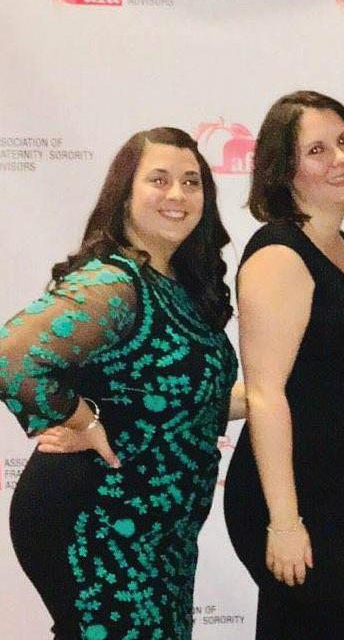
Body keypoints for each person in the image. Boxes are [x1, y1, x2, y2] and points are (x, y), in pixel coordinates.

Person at [0, 127, 241, 639]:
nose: (178, 194)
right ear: (125, 194)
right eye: (159, 179)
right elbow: (12, 358)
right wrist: (84, 422)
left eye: (191, 182)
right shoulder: (114, 280)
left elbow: (180, 399)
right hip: (99, 512)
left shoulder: (178, 287)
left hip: (157, 529)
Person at [223, 90, 344, 640]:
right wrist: (284, 522)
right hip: (298, 501)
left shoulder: (343, 246)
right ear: (284, 169)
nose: (341, 158)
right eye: (317, 150)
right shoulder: (279, 254)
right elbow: (266, 394)